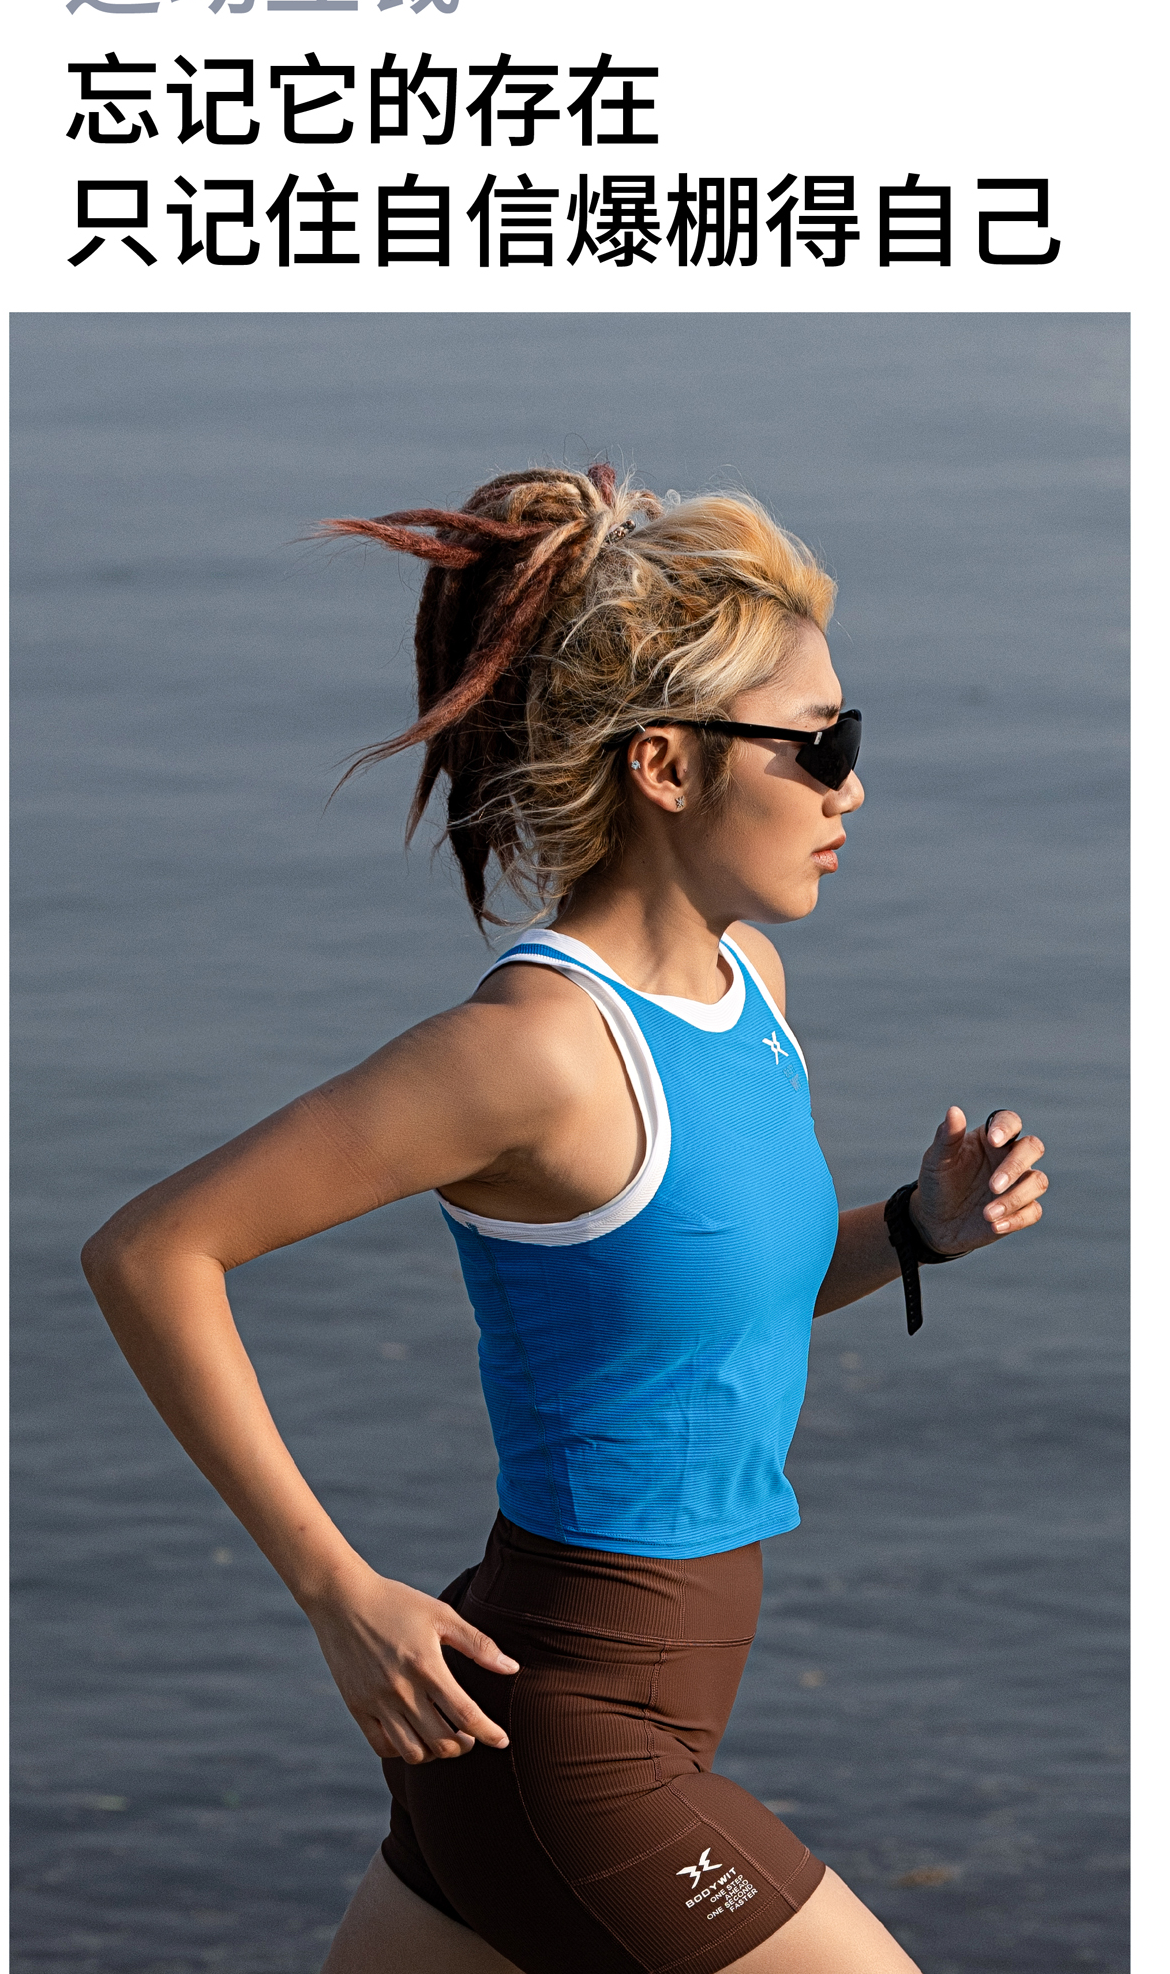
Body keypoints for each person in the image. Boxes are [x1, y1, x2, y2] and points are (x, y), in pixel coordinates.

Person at [82, 463, 1049, 1974]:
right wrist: (337, 1593)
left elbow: (699, 1306)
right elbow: (152, 1252)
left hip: (549, 1715)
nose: (851, 785)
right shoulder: (531, 1053)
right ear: (666, 766)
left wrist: (913, 1232)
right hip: (577, 1747)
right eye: (820, 744)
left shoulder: (747, 992)